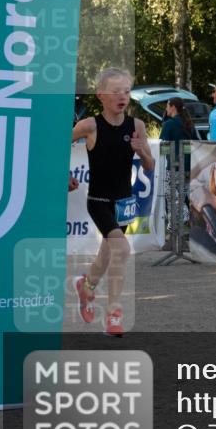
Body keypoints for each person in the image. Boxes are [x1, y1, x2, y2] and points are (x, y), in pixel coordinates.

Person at [71, 67, 154, 337]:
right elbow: (56, 145)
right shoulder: (90, 125)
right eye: (116, 91)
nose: (123, 97)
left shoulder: (136, 126)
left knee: (108, 252)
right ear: (100, 95)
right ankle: (114, 312)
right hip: (98, 200)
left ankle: (87, 287)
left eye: (127, 91)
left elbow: (150, 165)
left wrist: (142, 152)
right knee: (121, 249)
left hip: (124, 202)